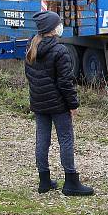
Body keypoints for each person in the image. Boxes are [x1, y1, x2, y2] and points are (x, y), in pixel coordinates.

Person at [25, 10, 93, 196]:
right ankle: (71, 181)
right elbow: (65, 82)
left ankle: (44, 180)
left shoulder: (32, 47)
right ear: (53, 29)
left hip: (39, 103)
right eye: (58, 24)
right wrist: (73, 104)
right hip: (58, 105)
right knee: (66, 140)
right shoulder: (60, 50)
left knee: (42, 139)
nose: (60, 26)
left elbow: (30, 76)